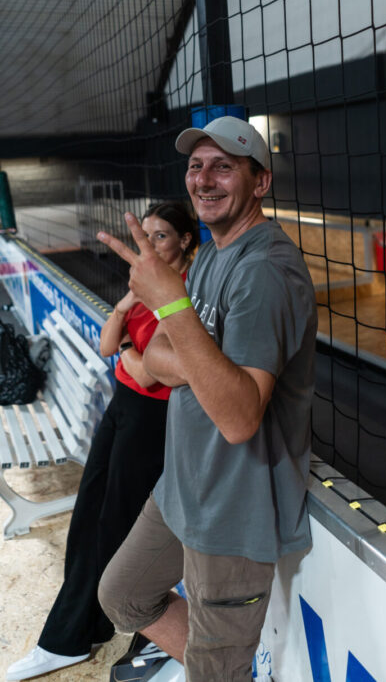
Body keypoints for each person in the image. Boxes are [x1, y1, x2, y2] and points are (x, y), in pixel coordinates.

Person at [96, 116, 318, 682]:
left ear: (260, 182)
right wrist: (202, 362)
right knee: (123, 595)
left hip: (233, 507)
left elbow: (238, 417)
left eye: (224, 166)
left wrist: (172, 306)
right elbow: (156, 359)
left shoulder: (265, 271)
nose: (204, 179)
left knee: (215, 670)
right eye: (196, 166)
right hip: (183, 485)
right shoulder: (216, 253)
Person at [6, 202, 198, 682]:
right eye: (144, 235)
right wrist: (126, 306)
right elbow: (107, 344)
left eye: (160, 236)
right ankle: (80, 631)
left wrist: (130, 340)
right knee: (86, 520)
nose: (148, 245)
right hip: (121, 410)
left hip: (151, 423)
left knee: (113, 531)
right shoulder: (145, 285)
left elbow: (144, 371)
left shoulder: (182, 293)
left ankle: (71, 639)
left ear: (185, 241)